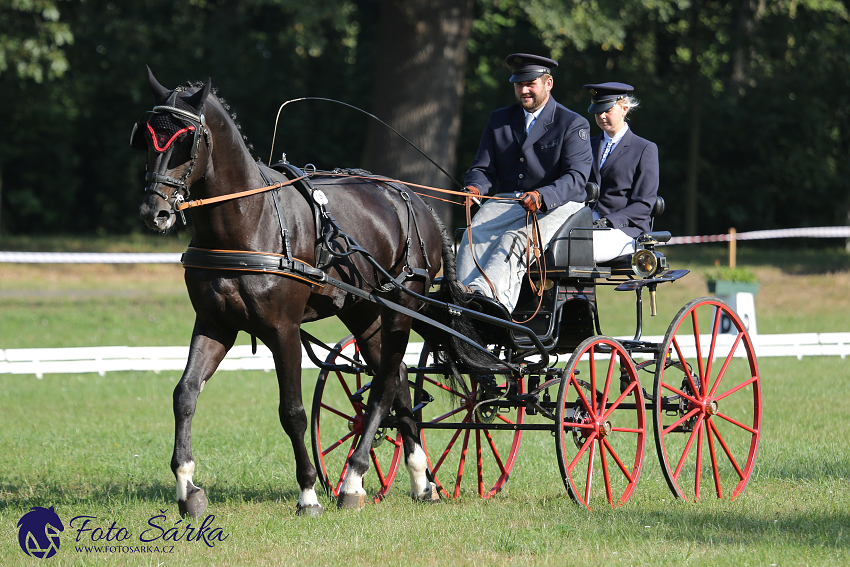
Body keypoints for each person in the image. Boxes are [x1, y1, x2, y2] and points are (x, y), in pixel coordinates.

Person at [457, 53, 593, 313]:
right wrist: (474, 187)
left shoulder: (573, 123)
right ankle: (462, 300)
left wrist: (542, 196)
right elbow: (483, 167)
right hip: (508, 200)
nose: (524, 90)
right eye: (520, 85)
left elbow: (576, 179)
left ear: (548, 84)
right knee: (472, 235)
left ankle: (489, 302)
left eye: (531, 83)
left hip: (557, 204)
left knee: (515, 240)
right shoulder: (499, 120)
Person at [583, 82, 659, 263]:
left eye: (607, 110)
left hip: (626, 229)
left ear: (624, 109)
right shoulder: (588, 145)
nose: (601, 115)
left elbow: (644, 204)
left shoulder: (644, 149)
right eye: (597, 111)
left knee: (583, 249)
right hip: (585, 223)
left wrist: (609, 221)